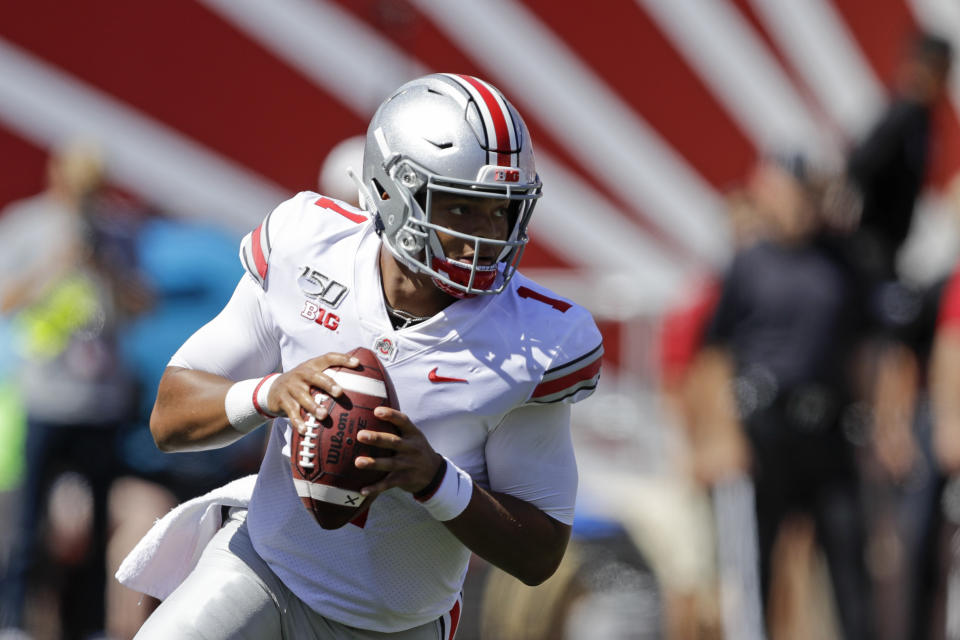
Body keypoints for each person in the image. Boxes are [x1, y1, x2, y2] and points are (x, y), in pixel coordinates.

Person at [120, 73, 603, 639]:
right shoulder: (308, 247)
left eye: (502, 212)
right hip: (261, 572)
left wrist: (431, 478)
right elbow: (170, 417)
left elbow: (538, 554)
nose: (488, 236)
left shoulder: (535, 344)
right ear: (390, 192)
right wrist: (270, 392)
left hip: (395, 626)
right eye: (463, 209)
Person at [699, 153, 873, 640]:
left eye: (805, 194)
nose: (797, 206)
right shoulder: (748, 263)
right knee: (755, 569)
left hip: (830, 431)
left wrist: (880, 428)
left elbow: (865, 347)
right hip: (763, 431)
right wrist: (722, 436)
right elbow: (714, 355)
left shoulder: (843, 259)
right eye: (787, 193)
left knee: (850, 563)